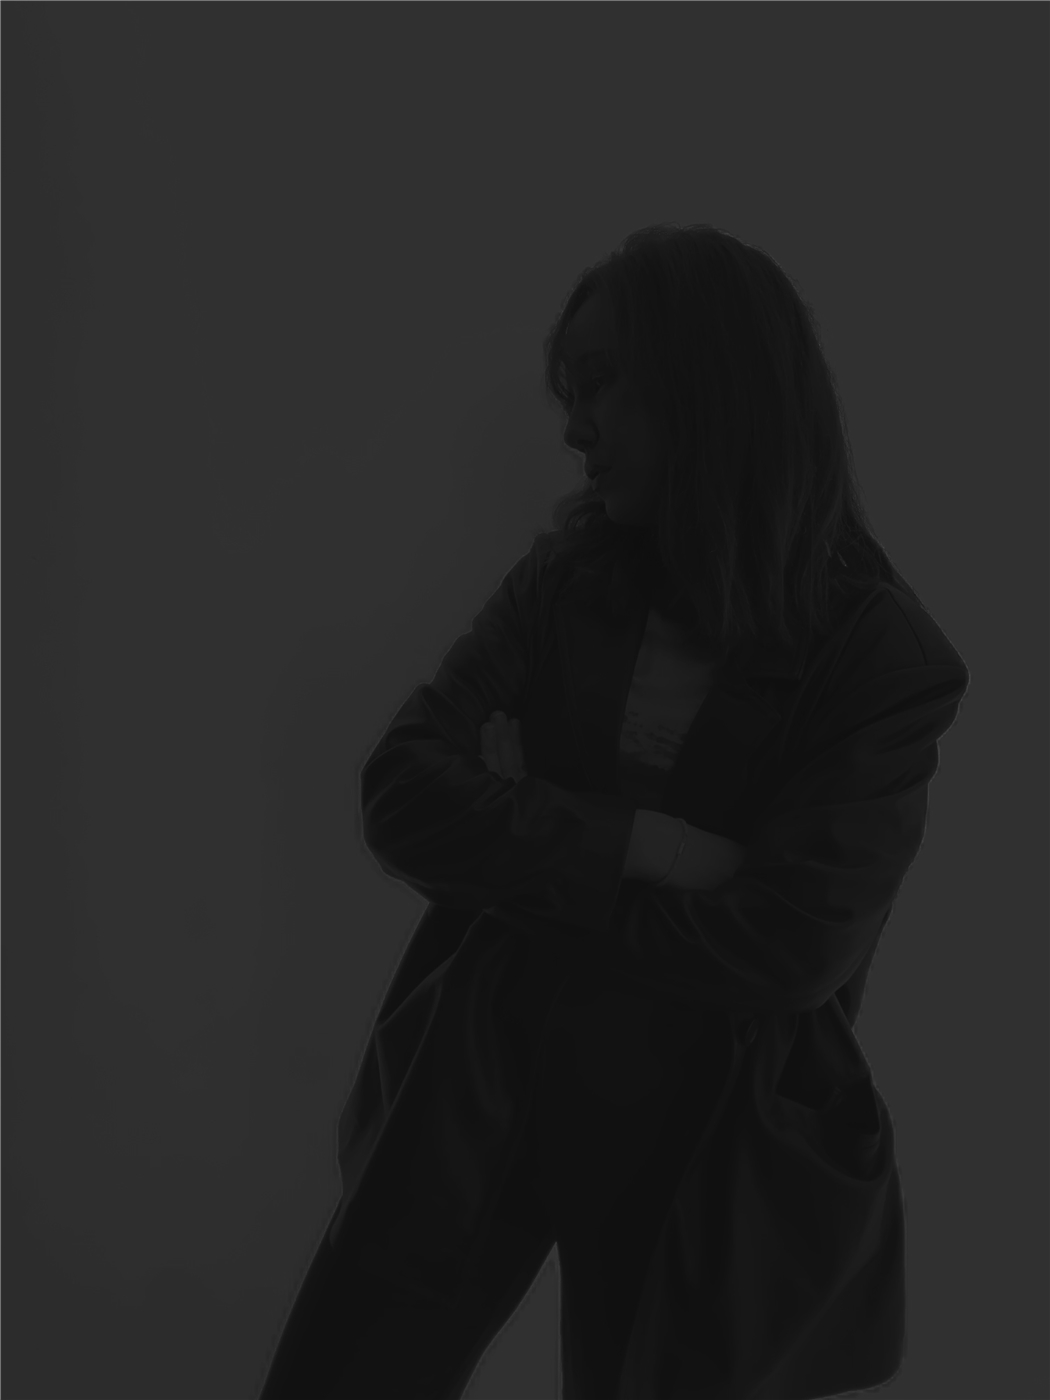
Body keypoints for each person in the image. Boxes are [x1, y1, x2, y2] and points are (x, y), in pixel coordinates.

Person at [257, 222, 971, 1399]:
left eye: (600, 385)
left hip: (709, 1140)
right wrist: (658, 845)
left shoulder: (884, 656)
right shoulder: (564, 577)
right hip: (480, 1077)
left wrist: (520, 821)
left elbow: (791, 942)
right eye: (568, 393)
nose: (574, 427)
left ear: (709, 385)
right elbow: (402, 790)